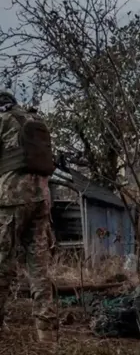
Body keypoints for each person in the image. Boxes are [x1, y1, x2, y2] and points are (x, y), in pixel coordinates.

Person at [0, 91, 58, 342]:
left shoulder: (3, 121)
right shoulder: (35, 121)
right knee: (39, 266)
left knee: (2, 261)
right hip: (42, 197)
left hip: (13, 198)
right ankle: (47, 333)